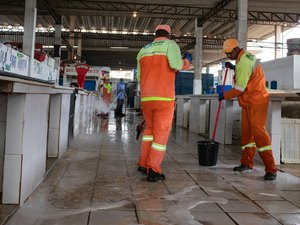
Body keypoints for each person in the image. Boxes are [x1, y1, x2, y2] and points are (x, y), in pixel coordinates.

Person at [136, 24, 192, 182]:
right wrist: (186, 61)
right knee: (160, 134)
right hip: (164, 97)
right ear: (169, 35)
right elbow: (175, 65)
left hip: (147, 98)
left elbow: (139, 76)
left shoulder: (143, 50)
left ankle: (142, 164)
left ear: (156, 34)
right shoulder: (170, 45)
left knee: (149, 131)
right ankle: (153, 170)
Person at [219, 38, 277, 180]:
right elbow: (247, 75)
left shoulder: (243, 61)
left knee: (259, 133)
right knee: (247, 134)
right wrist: (234, 68)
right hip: (248, 102)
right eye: (226, 54)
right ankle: (246, 163)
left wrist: (224, 95)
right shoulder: (243, 58)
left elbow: (239, 88)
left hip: (256, 101)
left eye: (229, 53)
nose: (228, 56)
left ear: (235, 49)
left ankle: (271, 169)